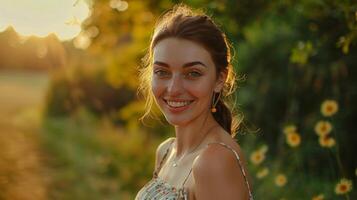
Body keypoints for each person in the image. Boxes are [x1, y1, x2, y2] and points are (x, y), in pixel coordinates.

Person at [135, 4, 253, 200]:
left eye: (193, 73)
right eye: (162, 72)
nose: (173, 89)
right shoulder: (165, 151)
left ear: (219, 79)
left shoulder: (214, 162)